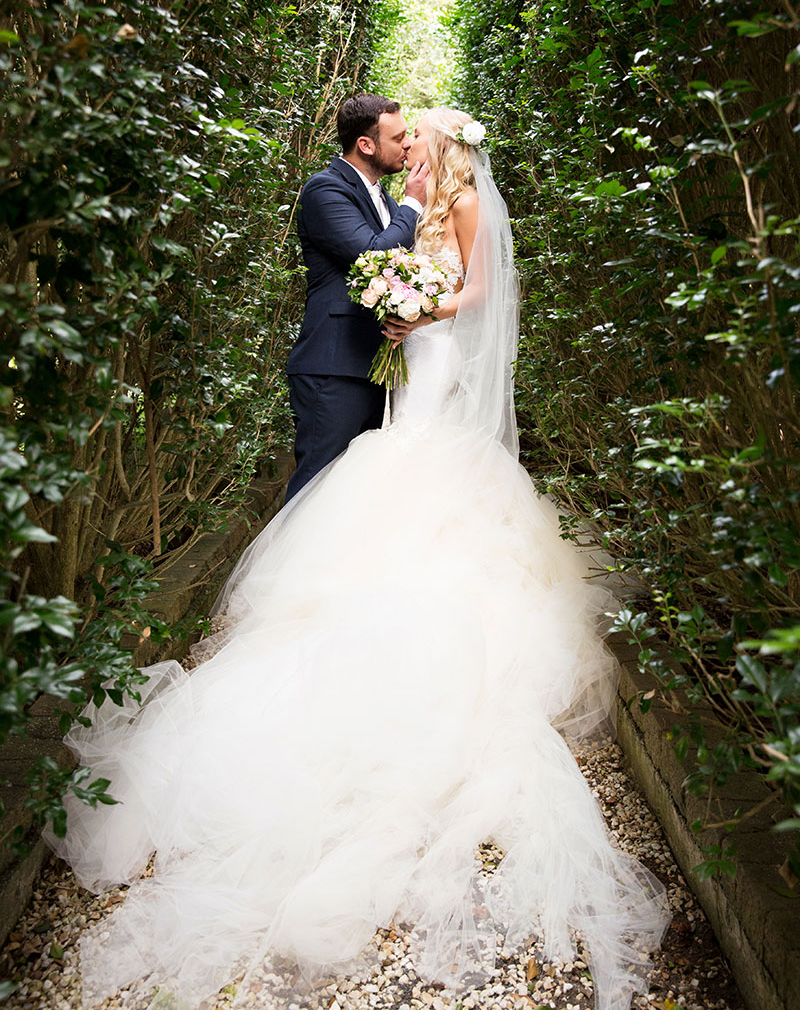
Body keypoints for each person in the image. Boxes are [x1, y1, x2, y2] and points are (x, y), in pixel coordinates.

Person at [44, 108, 670, 1010]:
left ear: (446, 149)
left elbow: (479, 291)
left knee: (422, 466)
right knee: (386, 467)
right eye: (401, 137)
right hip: (407, 354)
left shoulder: (459, 211)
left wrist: (422, 310)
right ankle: (359, 597)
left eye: (421, 141)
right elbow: (386, 260)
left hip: (437, 351)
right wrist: (400, 304)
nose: (410, 146)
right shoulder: (388, 202)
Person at [285, 93, 429, 502]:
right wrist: (415, 202)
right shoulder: (324, 190)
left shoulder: (383, 198)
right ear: (366, 145)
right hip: (332, 367)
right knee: (316, 486)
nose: (407, 145)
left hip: (371, 366)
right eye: (398, 137)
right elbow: (375, 256)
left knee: (347, 496)